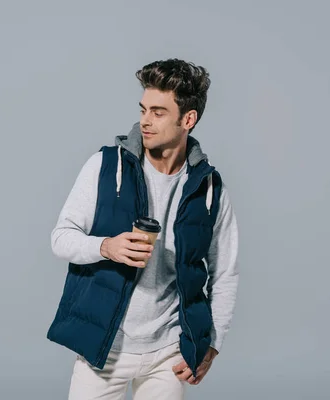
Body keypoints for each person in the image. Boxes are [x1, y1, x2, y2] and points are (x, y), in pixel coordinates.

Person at [46, 58, 239, 399]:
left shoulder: (208, 188)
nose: (145, 121)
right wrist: (106, 247)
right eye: (143, 109)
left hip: (168, 353)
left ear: (188, 119)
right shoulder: (106, 166)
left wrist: (212, 344)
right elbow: (61, 238)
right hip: (103, 349)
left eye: (159, 112)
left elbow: (225, 273)